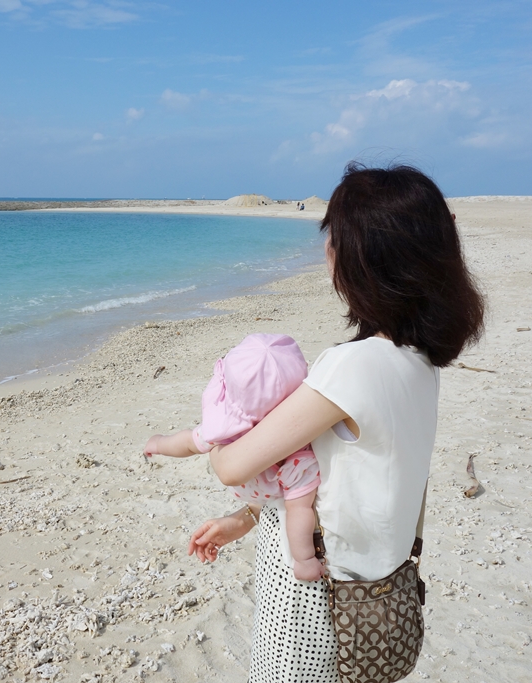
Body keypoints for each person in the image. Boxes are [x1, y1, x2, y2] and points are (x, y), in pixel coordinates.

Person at [182, 163, 485, 682]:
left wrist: (214, 427)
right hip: (377, 592)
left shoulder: (353, 367)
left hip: (315, 599)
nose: (327, 251)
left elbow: (232, 466)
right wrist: (247, 519)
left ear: (365, 260)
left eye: (335, 239)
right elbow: (337, 473)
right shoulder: (420, 359)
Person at [143, 334, 325, 581]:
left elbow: (185, 443)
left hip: (252, 491)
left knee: (193, 438)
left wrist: (159, 443)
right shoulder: (299, 449)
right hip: (276, 486)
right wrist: (304, 560)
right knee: (298, 506)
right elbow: (300, 512)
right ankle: (302, 558)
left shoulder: (227, 430)